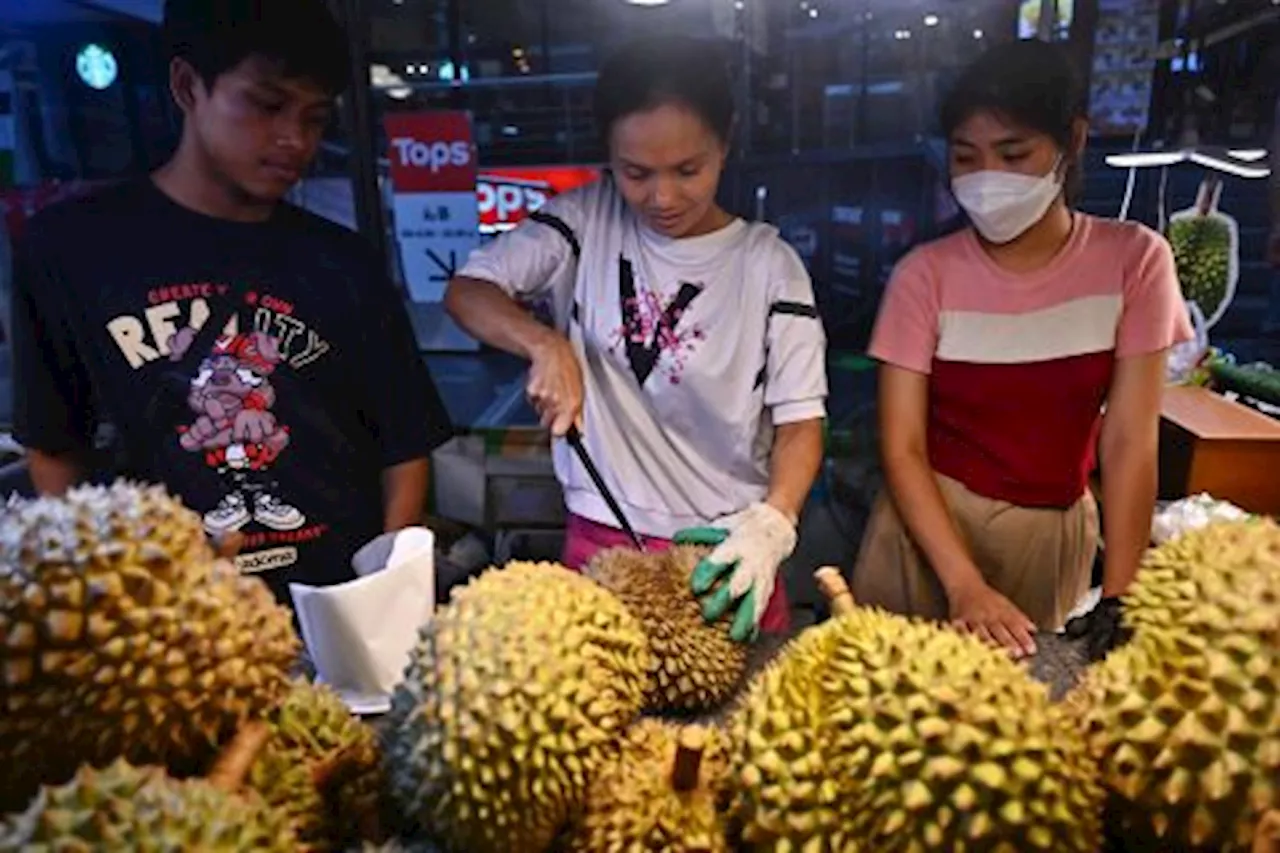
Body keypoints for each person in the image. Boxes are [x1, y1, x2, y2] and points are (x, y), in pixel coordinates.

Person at [9, 0, 452, 607]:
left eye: (315, 117)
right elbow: (55, 446)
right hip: (165, 621)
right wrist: (96, 601)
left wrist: (386, 592)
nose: (295, 139)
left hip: (328, 612)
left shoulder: (343, 263)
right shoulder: (71, 250)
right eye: (266, 105)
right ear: (188, 86)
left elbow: (403, 445)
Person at [444, 36, 829, 644]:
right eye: (636, 173)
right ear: (609, 156)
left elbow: (801, 420)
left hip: (726, 551)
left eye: (688, 170)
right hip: (600, 538)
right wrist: (543, 342)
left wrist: (774, 521)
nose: (663, 198)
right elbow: (469, 290)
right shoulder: (582, 222)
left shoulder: (768, 265)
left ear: (725, 144)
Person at [853, 39, 1194, 661]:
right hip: (929, 530)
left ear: (1073, 141)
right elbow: (901, 446)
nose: (989, 179)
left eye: (1014, 153)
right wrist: (964, 584)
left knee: (1019, 725)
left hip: (1051, 532)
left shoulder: (1135, 261)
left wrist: (1122, 593)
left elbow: (1128, 441)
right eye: (966, 157)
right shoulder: (922, 276)